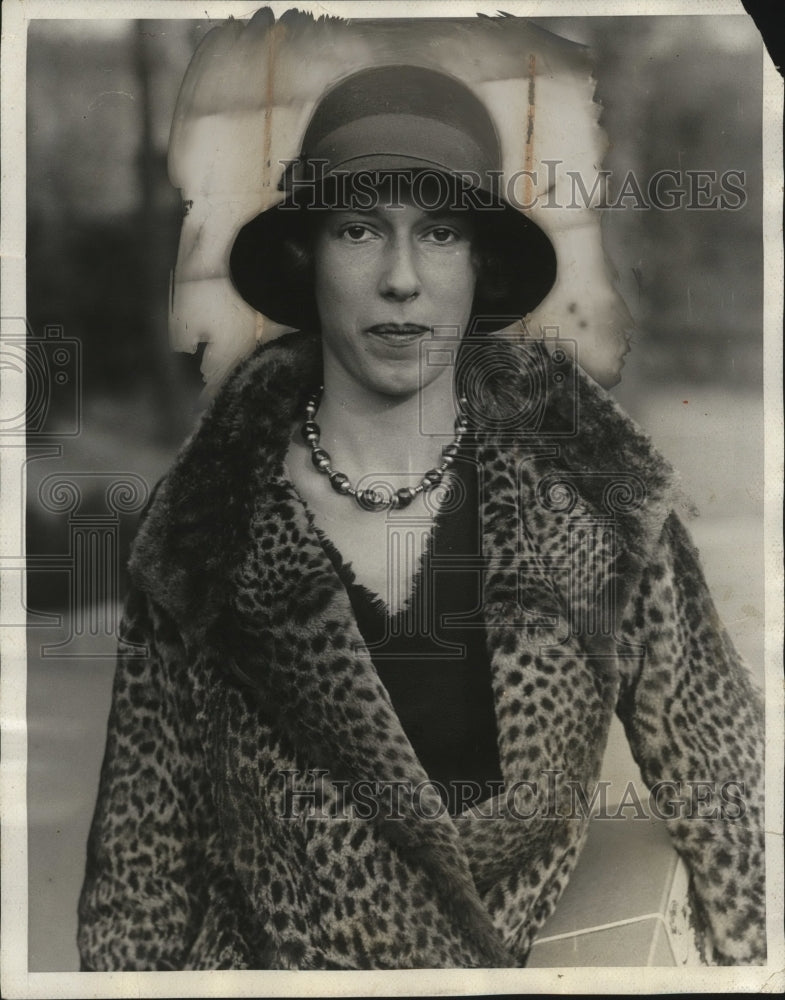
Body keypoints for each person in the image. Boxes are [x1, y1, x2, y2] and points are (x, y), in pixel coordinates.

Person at [78, 64, 765, 970]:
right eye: (358, 230)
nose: (400, 279)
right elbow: (141, 868)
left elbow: (722, 781)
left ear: (479, 262)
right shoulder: (204, 528)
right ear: (305, 256)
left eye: (439, 233)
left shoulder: (594, 495)